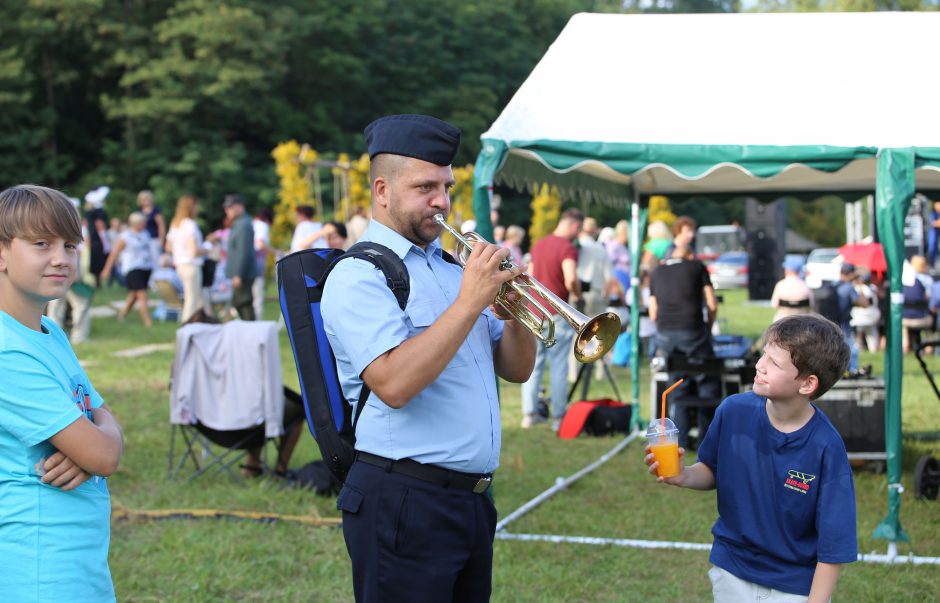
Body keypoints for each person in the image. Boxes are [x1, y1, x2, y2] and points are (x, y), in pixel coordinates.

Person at [321, 114, 535, 602]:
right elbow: (393, 384)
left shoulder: (450, 267)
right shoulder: (360, 274)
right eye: (424, 187)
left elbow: (516, 370)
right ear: (382, 190)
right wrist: (469, 301)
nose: (441, 201)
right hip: (403, 500)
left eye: (446, 186)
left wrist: (517, 310)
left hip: (471, 502)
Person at [645, 314, 857, 602]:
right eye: (763, 355)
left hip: (795, 588)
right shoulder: (733, 410)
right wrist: (684, 475)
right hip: (732, 573)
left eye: (774, 363)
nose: (759, 365)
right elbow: (711, 469)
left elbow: (834, 544)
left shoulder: (826, 446)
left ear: (807, 384)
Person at [0, 184, 125, 600]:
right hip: (38, 567)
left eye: (70, 245)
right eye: (41, 243)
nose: (61, 258)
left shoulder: (50, 332)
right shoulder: (6, 351)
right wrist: (93, 446)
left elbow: (101, 417)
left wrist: (92, 445)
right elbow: (105, 453)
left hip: (79, 561)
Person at [649, 215, 719, 449]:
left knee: (677, 385)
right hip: (693, 331)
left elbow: (653, 312)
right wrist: (708, 328)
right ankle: (705, 440)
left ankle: (680, 441)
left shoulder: (656, 273)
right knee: (707, 383)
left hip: (666, 334)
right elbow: (712, 304)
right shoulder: (698, 267)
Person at [520, 208, 584, 430]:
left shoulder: (539, 244)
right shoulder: (568, 248)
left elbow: (532, 276)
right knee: (558, 366)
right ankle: (558, 418)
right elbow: (571, 279)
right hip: (557, 313)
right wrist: (577, 294)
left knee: (533, 365)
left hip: (536, 311)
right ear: (575, 226)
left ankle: (529, 414)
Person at [101, 212, 154, 328]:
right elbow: (114, 253)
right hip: (132, 268)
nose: (144, 224)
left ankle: (122, 315)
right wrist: (107, 269)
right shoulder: (125, 236)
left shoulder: (145, 233)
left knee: (134, 294)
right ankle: (148, 322)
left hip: (145, 268)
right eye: (142, 222)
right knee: (142, 294)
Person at [165, 194, 206, 323]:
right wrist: (208, 250)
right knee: (192, 299)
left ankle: (199, 323)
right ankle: (187, 324)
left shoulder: (176, 224)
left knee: (196, 298)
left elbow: (168, 246)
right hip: (191, 265)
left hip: (180, 265)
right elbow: (194, 250)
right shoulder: (190, 225)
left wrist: (180, 251)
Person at [222, 194, 256, 321]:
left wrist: (238, 274)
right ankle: (248, 330)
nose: (227, 210)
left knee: (244, 303)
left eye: (230, 207)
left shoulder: (243, 224)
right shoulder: (239, 222)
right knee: (239, 302)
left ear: (239, 206)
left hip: (243, 273)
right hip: (241, 273)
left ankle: (251, 332)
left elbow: (243, 251)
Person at [770, 256, 812, 323]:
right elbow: (811, 305)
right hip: (802, 322)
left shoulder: (780, 285)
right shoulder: (805, 286)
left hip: (782, 321)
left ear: (787, 270)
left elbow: (774, 305)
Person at [84, 186, 111, 288]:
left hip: (93, 239)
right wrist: (105, 241)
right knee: (100, 262)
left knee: (95, 262)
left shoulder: (89, 212)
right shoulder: (99, 212)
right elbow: (100, 226)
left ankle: (98, 283)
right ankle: (100, 283)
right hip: (98, 240)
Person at [252, 207, 276, 320]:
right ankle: (257, 322)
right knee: (257, 297)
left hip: (247, 265)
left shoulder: (252, 224)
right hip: (256, 266)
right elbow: (260, 244)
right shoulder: (263, 225)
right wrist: (275, 252)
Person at [137, 189, 166, 263]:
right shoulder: (139, 211)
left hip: (154, 239)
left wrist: (161, 240)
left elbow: (161, 226)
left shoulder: (156, 211)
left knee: (156, 260)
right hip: (143, 240)